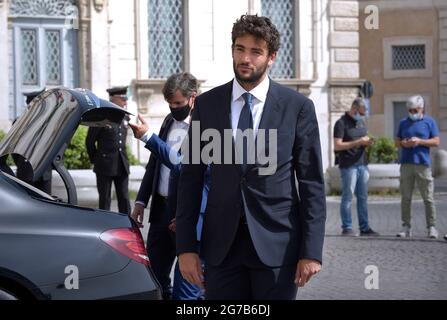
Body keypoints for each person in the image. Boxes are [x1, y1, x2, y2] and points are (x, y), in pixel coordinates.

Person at [175, 14, 326, 300]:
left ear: (271, 57)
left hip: (278, 249)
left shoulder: (298, 108)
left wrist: (311, 251)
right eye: (240, 49)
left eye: (256, 51)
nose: (246, 58)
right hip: (221, 250)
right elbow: (190, 179)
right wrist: (185, 248)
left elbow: (312, 184)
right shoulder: (207, 105)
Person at [130, 73, 198, 300]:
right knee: (155, 279)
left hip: (184, 216)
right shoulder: (169, 121)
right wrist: (141, 200)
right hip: (160, 213)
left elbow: (184, 167)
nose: (173, 108)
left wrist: (187, 214)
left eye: (178, 103)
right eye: (170, 103)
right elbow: (154, 164)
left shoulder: (205, 128)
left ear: (192, 99)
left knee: (188, 286)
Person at [395, 95, 440, 239]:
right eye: (410, 110)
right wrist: (404, 143)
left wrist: (420, 141)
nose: (412, 112)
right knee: (406, 197)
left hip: (422, 164)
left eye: (414, 110)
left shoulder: (429, 122)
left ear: (421, 108)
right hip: (406, 164)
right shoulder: (403, 123)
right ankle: (406, 227)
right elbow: (396, 141)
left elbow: (436, 141)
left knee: (428, 198)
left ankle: (431, 227)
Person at [333, 98, 379, 237]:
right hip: (348, 166)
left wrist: (367, 142)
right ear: (354, 109)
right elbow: (337, 145)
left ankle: (364, 228)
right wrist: (358, 142)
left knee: (363, 198)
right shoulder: (341, 123)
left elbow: (362, 138)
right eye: (360, 112)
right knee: (347, 197)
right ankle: (347, 227)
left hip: (362, 165)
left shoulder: (361, 122)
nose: (362, 115)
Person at [86, 86, 131, 215]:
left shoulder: (124, 117)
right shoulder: (101, 117)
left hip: (121, 164)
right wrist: (97, 159)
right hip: (104, 165)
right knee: (105, 199)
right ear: (113, 99)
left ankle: (127, 224)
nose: (125, 102)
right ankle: (104, 225)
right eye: (123, 99)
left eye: (126, 99)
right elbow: (89, 142)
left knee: (124, 197)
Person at [14, 89, 52, 194]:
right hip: (27, 172)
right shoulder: (19, 122)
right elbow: (14, 149)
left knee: (46, 205)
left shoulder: (49, 121)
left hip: (43, 173)